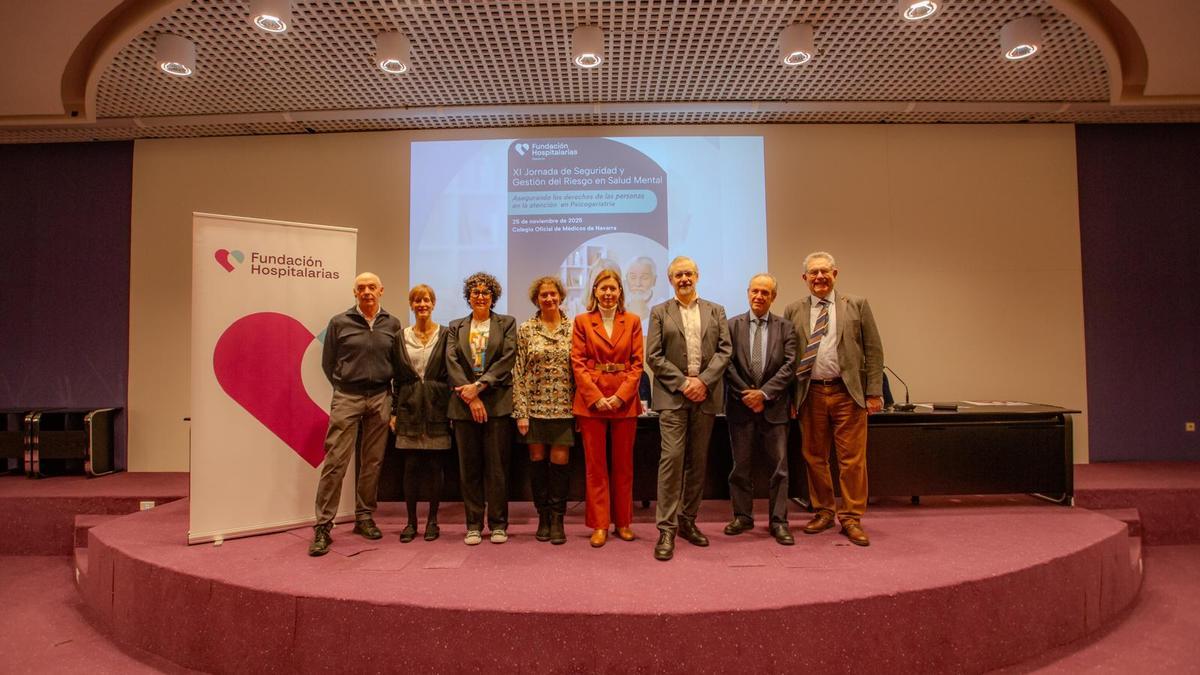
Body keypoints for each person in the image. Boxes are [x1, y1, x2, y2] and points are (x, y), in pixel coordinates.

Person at [783, 251, 884, 547]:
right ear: (804, 278)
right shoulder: (793, 309)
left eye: (824, 271)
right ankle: (824, 511)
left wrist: (874, 392)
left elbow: (873, 350)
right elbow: (788, 357)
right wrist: (790, 397)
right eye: (813, 273)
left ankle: (851, 517)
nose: (819, 277)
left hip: (847, 393)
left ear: (835, 274)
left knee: (852, 460)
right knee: (814, 457)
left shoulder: (857, 304)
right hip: (810, 393)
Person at [309, 272, 403, 557]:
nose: (367, 292)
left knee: (372, 461)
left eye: (372, 287)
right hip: (347, 397)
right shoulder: (339, 322)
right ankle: (323, 526)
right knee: (335, 460)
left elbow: (397, 365)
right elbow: (328, 363)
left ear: (381, 290)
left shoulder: (392, 323)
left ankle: (364, 517)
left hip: (380, 396)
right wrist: (344, 386)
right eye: (361, 288)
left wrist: (393, 404)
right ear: (355, 292)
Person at [645, 256, 732, 561]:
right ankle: (666, 529)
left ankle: (688, 521)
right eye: (678, 275)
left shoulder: (716, 310)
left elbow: (725, 350)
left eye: (689, 274)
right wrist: (684, 383)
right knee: (671, 460)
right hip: (673, 397)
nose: (684, 279)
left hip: (705, 395)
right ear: (670, 280)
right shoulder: (659, 312)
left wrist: (703, 382)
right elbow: (653, 356)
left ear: (697, 276)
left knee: (697, 462)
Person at [570, 268, 644, 548]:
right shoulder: (582, 321)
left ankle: (623, 522)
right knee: (596, 467)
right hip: (592, 403)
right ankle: (600, 524)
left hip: (624, 403)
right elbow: (577, 363)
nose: (608, 293)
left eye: (613, 288)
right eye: (603, 288)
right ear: (595, 291)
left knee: (624, 466)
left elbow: (637, 364)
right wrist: (595, 396)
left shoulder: (633, 321)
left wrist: (621, 396)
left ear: (620, 291)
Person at [723, 274, 797, 545]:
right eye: (755, 291)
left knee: (779, 469)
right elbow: (726, 364)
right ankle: (743, 517)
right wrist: (748, 394)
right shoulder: (731, 326)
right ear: (747, 293)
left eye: (765, 292)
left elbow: (790, 365)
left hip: (774, 408)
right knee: (740, 467)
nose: (759, 296)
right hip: (741, 407)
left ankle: (779, 521)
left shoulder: (786, 327)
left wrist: (763, 394)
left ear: (773, 297)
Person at [446, 272, 518, 545]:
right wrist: (471, 396)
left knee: (497, 469)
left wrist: (479, 386)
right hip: (464, 405)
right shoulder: (456, 326)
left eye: (485, 292)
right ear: (468, 297)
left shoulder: (506, 323)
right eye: (475, 292)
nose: (480, 296)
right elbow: (451, 362)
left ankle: (498, 524)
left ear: (493, 296)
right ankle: (474, 525)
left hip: (497, 404)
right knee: (470, 469)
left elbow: (507, 358)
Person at [513, 276, 575, 545]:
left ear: (560, 296)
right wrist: (521, 412)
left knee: (560, 465)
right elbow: (518, 371)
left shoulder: (574, 328)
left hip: (565, 407)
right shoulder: (527, 329)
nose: (549, 298)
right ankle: (543, 516)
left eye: (553, 294)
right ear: (536, 300)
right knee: (537, 463)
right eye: (543, 295)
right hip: (534, 408)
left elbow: (579, 371)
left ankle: (558, 518)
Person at [390, 284, 451, 543]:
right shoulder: (399, 337)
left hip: (438, 408)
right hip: (409, 409)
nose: (422, 304)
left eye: (426, 300)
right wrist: (394, 411)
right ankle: (411, 522)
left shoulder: (446, 335)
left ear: (433, 304)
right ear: (411, 305)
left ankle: (433, 520)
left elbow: (451, 374)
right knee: (411, 467)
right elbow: (396, 377)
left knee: (435, 467)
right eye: (417, 301)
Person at [624, 256, 658, 326]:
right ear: (626, 279)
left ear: (654, 280)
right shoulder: (621, 305)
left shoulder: (663, 307)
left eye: (644, 278)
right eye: (633, 277)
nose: (638, 284)